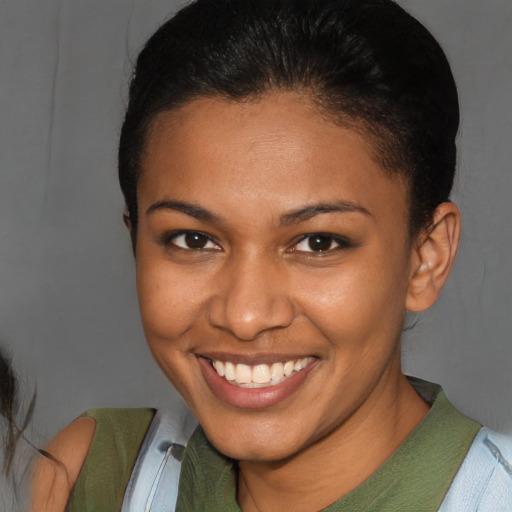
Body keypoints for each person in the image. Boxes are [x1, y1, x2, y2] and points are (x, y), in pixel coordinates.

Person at [31, 0, 512, 510]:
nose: (244, 316)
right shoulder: (89, 479)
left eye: (318, 243)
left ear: (426, 257)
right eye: (193, 240)